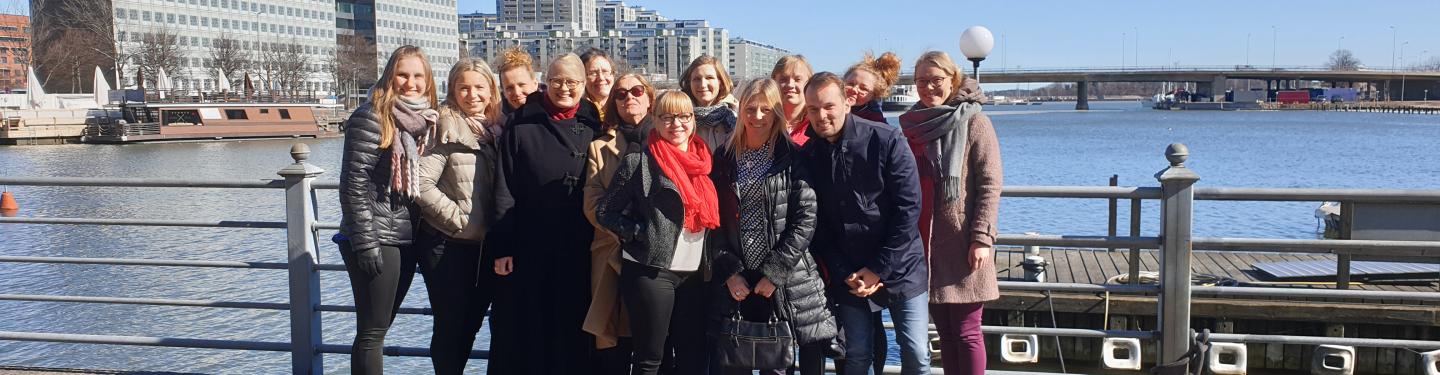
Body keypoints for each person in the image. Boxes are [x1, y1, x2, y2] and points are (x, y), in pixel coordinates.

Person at [802, 72, 930, 375]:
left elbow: (908, 209)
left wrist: (878, 269)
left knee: (915, 353)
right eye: (813, 109)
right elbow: (816, 224)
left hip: (901, 267)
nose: (821, 116)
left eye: (828, 106)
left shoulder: (886, 139)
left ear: (847, 101)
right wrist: (844, 272)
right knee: (857, 354)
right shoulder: (808, 155)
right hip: (849, 271)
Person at [710, 78, 836, 375]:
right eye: (750, 109)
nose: (757, 117)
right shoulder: (724, 158)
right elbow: (711, 220)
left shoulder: (791, 157)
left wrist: (775, 272)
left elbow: (806, 217)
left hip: (781, 278)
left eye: (766, 110)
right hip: (737, 279)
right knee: (733, 363)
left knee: (777, 366)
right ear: (740, 111)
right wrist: (729, 272)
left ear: (777, 113)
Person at [487, 53, 602, 375]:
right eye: (557, 81)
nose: (564, 88)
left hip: (580, 244)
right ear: (545, 82)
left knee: (575, 328)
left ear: (583, 85)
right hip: (530, 244)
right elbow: (504, 187)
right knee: (530, 330)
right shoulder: (521, 123)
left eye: (572, 82)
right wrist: (503, 246)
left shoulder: (595, 122)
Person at [898, 51, 1003, 375]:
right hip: (923, 244)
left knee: (967, 331)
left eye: (936, 80)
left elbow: (990, 182)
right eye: (921, 81)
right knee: (945, 333)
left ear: (952, 79)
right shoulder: (912, 125)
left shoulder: (974, 121)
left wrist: (982, 237)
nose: (929, 87)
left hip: (962, 242)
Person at [599, 90, 717, 375]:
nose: (676, 124)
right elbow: (605, 212)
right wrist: (639, 232)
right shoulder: (639, 162)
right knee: (651, 359)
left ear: (693, 120)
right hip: (650, 270)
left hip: (695, 274)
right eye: (667, 117)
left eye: (684, 117)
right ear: (655, 120)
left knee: (693, 357)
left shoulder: (705, 162)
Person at [337, 45, 437, 375]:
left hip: (404, 237)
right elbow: (353, 184)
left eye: (418, 76)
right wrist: (365, 241)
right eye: (403, 74)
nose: (411, 83)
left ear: (428, 81)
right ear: (389, 76)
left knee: (381, 325)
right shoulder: (372, 117)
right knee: (372, 331)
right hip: (377, 237)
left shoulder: (424, 122)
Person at [411, 58, 503, 375]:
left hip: (482, 247)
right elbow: (420, 183)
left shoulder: (496, 131)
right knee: (451, 326)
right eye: (463, 87)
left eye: (480, 87)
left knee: (472, 323)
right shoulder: (445, 127)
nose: (472, 94)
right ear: (452, 90)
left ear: (491, 91)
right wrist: (458, 219)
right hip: (447, 244)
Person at [582, 73, 657, 375]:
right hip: (612, 251)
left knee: (653, 344)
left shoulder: (667, 138)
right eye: (621, 94)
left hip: (657, 255)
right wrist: (625, 229)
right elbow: (592, 202)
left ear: (650, 97)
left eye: (637, 91)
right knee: (614, 344)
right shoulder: (600, 147)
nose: (630, 98)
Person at [680, 55, 737, 149]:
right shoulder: (678, 117)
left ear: (721, 82)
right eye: (697, 79)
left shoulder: (737, 115)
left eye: (709, 78)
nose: (702, 85)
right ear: (689, 83)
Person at [845, 52, 902, 124]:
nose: (854, 89)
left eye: (863, 89)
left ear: (874, 95)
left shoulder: (875, 123)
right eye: (850, 84)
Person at [771, 55, 813, 145]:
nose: (790, 85)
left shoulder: (816, 121)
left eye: (797, 79)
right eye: (783, 79)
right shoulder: (765, 120)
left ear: (809, 84)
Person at [496, 47, 539, 116]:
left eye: (521, 85)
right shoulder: (496, 121)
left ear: (535, 84)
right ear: (503, 91)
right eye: (509, 88)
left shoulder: (552, 115)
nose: (517, 92)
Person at [581, 48, 617, 123]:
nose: (601, 78)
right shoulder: (576, 111)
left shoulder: (624, 106)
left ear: (613, 75)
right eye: (593, 73)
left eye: (605, 72)